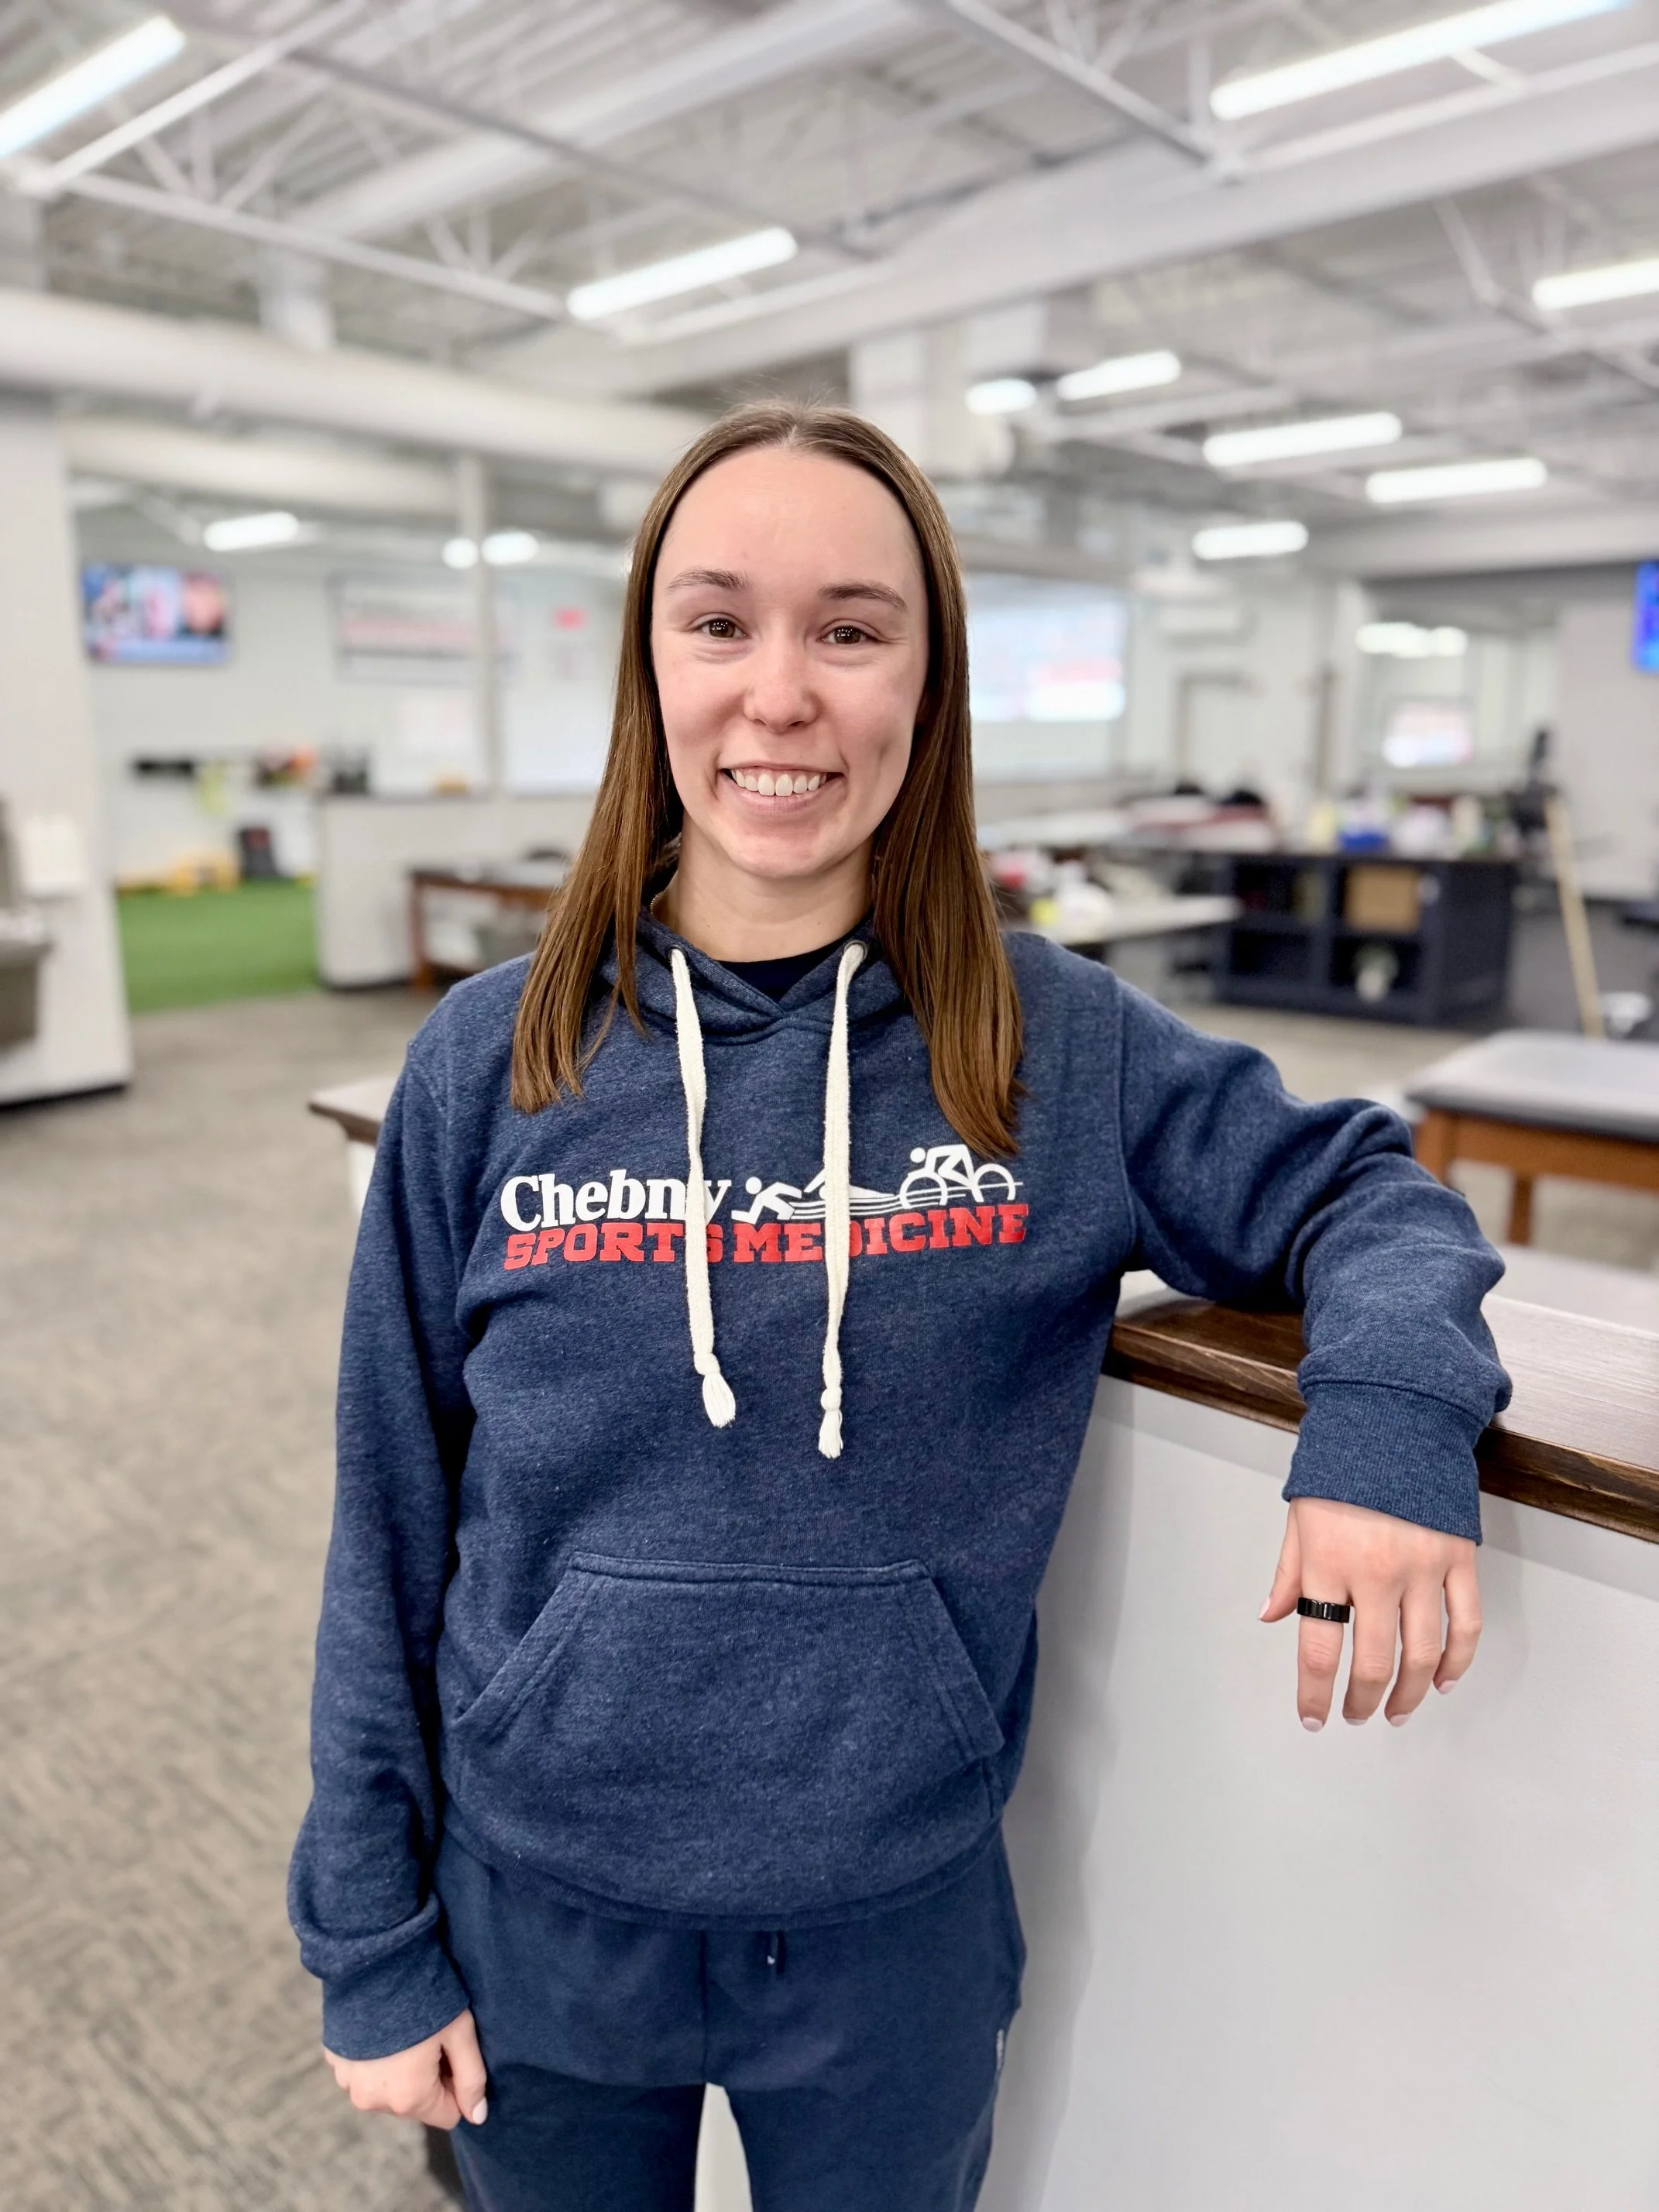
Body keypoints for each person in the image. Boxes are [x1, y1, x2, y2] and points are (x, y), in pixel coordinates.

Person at [290, 403, 1506, 2211]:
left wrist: (1391, 1430)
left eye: (850, 630)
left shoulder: (1050, 1045)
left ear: (928, 687)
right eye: (720, 623)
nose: (780, 694)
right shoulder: (495, 1058)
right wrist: (368, 1940)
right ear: (648, 669)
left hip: (893, 1935)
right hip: (536, 1911)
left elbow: (1367, 1190)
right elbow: (387, 1523)